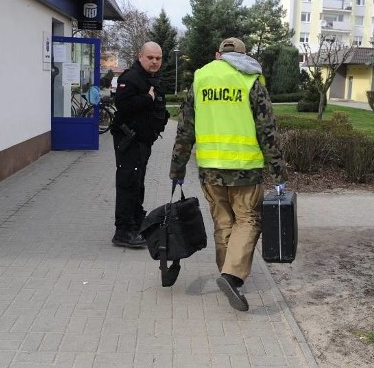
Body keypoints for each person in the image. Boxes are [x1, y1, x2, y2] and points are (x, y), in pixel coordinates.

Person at [169, 37, 287, 311]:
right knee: (248, 219)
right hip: (245, 168)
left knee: (223, 222)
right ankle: (232, 275)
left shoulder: (200, 78)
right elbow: (267, 129)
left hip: (210, 168)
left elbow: (185, 128)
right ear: (244, 55)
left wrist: (177, 168)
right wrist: (279, 171)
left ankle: (226, 270)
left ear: (218, 54)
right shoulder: (250, 79)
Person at [111, 42, 169, 248]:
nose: (155, 62)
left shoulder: (150, 78)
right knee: (128, 183)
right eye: (150, 57)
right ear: (140, 56)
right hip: (129, 141)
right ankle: (123, 230)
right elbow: (123, 105)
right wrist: (147, 98)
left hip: (143, 141)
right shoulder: (130, 78)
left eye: (158, 58)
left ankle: (136, 220)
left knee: (138, 182)